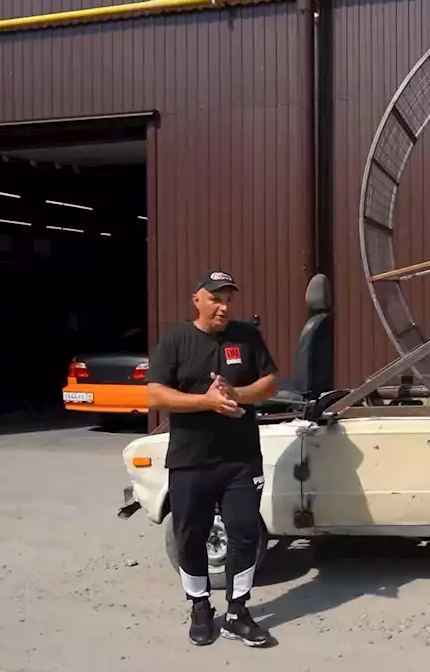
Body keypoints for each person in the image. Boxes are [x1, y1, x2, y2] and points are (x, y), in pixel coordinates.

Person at [146, 270, 279, 648]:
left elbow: (270, 382)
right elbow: (156, 395)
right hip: (191, 459)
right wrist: (205, 401)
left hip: (240, 459)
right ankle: (200, 606)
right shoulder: (176, 340)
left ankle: (237, 611)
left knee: (243, 534)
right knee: (190, 535)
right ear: (197, 299)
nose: (223, 307)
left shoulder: (246, 337)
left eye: (228, 299)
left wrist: (236, 393)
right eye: (215, 298)